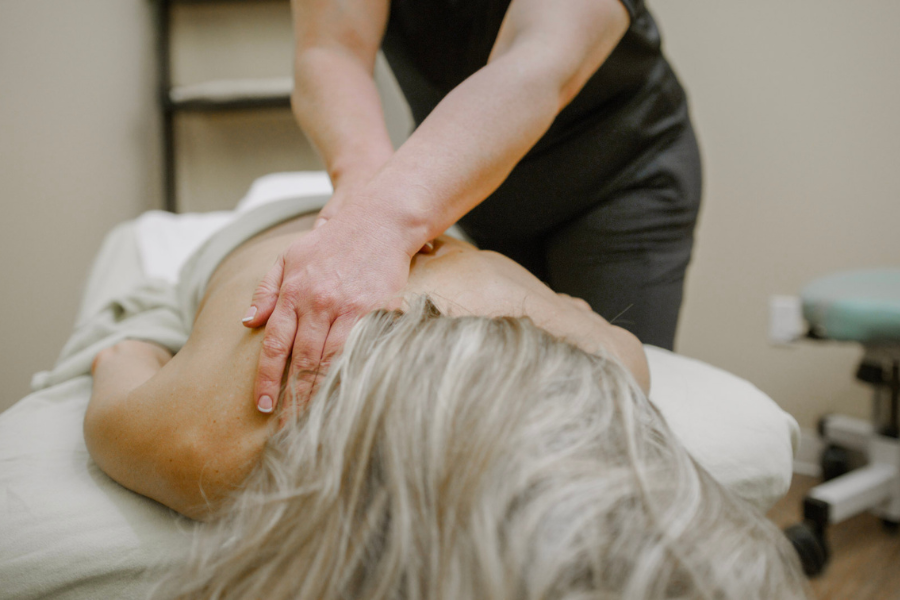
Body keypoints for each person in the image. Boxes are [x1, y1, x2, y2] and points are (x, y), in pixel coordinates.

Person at [84, 202, 806, 599]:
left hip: (414, 209)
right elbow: (122, 358)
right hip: (266, 224)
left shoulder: (607, 366)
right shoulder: (207, 443)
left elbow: (120, 363)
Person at [240, 0, 703, 415]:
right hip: (473, 188)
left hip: (618, 171)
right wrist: (362, 187)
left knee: (606, 405)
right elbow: (331, 49)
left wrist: (385, 217)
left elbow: (541, 55)